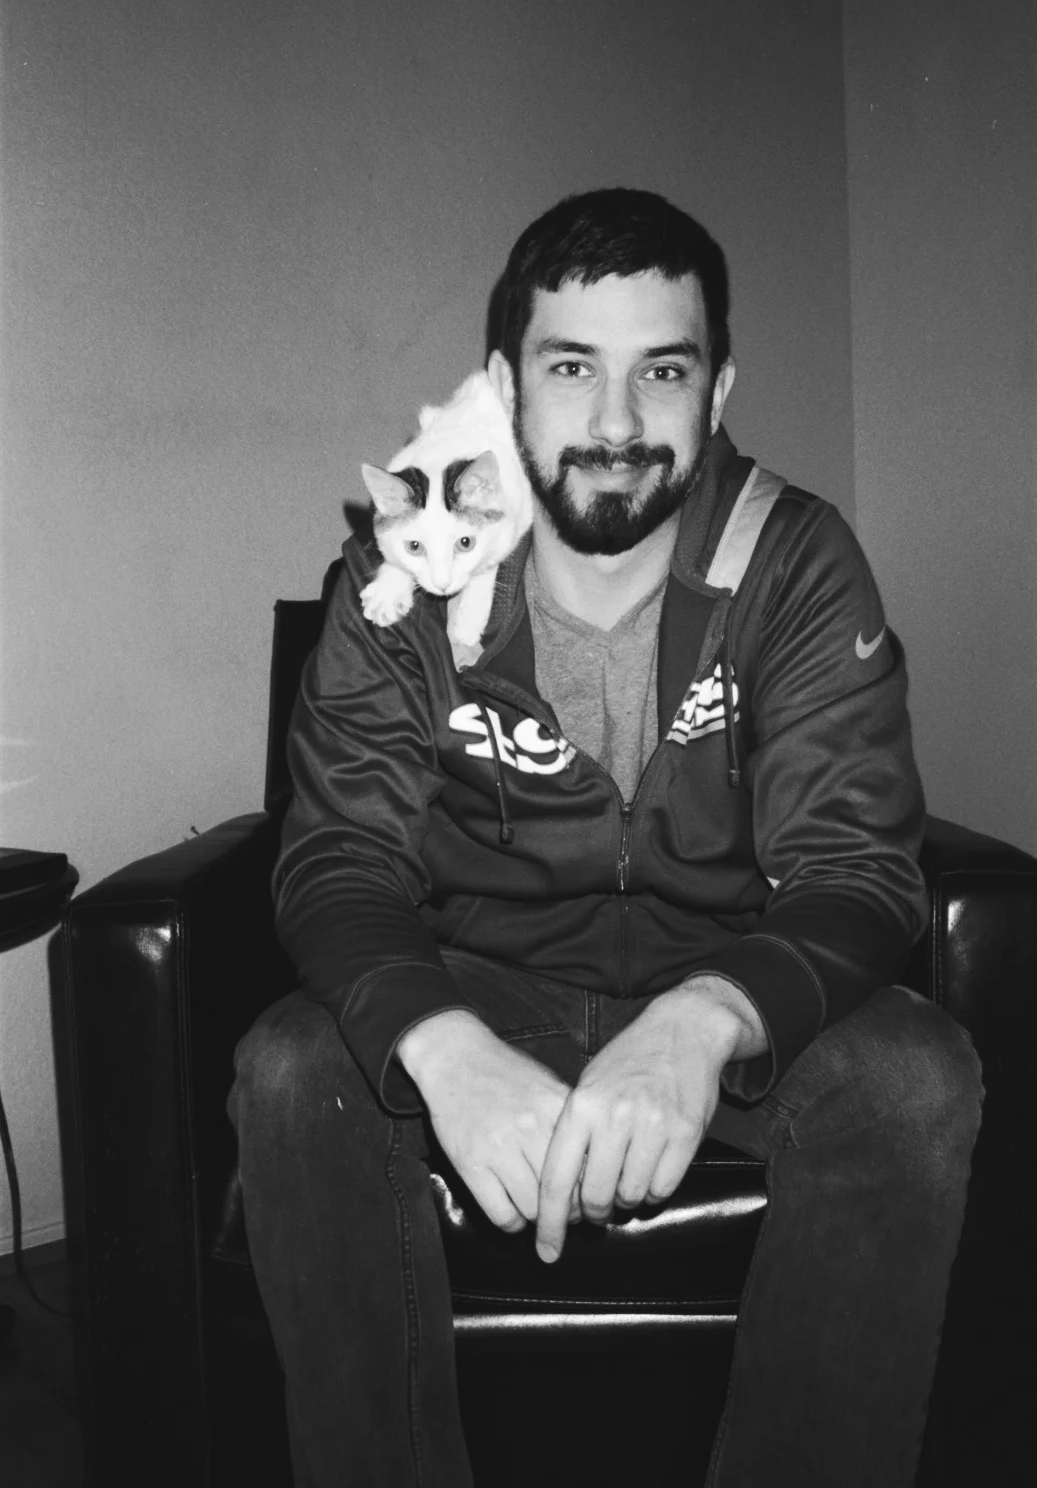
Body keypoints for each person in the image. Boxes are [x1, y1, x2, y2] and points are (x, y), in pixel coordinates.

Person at [230, 188, 982, 1487]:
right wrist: (439, 1042)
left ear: (718, 387)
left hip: (727, 973)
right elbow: (337, 855)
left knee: (915, 1074)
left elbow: (860, 866)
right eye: (574, 369)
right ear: (504, 382)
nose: (619, 423)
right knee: (296, 1067)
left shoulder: (795, 562)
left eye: (664, 372)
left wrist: (705, 1019)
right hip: (482, 976)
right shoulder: (403, 584)